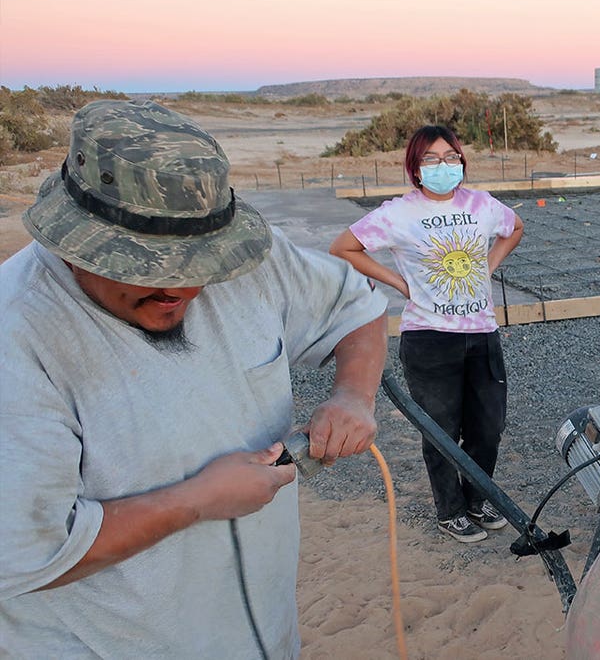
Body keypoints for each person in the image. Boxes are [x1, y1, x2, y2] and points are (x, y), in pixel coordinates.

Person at [0, 100, 389, 656]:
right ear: (75, 244)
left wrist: (353, 395)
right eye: (146, 267)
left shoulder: (251, 261)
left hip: (265, 635)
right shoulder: (17, 336)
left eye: (198, 265)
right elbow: (23, 554)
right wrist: (195, 501)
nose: (178, 289)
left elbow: (357, 308)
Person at [330, 125, 524, 543]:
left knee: (487, 427)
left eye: (451, 157)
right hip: (429, 338)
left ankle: (479, 497)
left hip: (482, 333)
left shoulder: (481, 204)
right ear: (416, 169)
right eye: (432, 159)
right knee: (440, 428)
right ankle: (449, 509)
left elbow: (515, 229)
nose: (444, 166)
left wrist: (487, 267)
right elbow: (345, 246)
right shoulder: (398, 213)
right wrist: (398, 283)